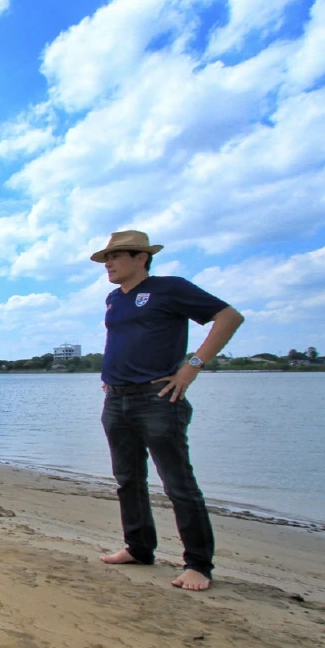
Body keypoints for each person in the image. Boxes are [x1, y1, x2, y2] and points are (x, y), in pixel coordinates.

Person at [92, 230, 245, 591]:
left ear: (141, 257)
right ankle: (139, 548)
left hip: (158, 399)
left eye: (115, 256)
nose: (108, 264)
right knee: (127, 480)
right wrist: (113, 377)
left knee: (178, 483)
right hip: (116, 399)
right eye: (106, 259)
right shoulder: (114, 298)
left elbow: (229, 317)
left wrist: (192, 367)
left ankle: (198, 565)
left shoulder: (169, 288)